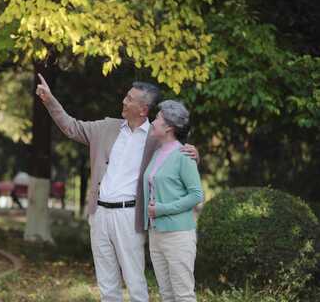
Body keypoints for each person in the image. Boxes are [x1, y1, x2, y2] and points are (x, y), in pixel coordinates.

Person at [35, 74, 198, 302]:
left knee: (134, 281)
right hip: (99, 213)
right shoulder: (106, 128)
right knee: (107, 283)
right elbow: (71, 127)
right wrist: (49, 100)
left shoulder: (156, 139)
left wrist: (193, 152)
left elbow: (177, 157)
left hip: (129, 216)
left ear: (143, 109)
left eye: (129, 98)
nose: (123, 101)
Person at [144, 100, 203, 302]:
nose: (153, 121)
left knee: (183, 294)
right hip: (156, 233)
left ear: (169, 126)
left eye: (158, 118)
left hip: (178, 234)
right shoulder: (158, 152)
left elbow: (196, 195)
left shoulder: (184, 154)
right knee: (166, 294)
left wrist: (161, 209)